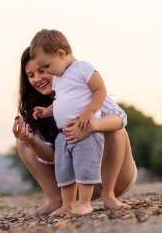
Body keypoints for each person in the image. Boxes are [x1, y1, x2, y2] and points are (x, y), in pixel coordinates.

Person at [12, 46, 137, 216]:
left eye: (42, 70)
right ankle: (56, 201)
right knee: (23, 141)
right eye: (31, 75)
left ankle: (109, 196)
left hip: (114, 178)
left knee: (115, 129)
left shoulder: (82, 88)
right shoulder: (40, 110)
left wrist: (91, 126)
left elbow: (120, 118)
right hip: (77, 183)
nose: (38, 79)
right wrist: (31, 140)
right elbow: (51, 157)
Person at [29, 29, 107, 215]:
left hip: (85, 130)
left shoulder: (83, 68)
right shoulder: (58, 78)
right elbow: (61, 102)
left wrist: (90, 112)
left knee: (84, 166)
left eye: (46, 66)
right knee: (64, 170)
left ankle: (85, 203)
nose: (46, 72)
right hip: (63, 133)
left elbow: (100, 90)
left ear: (61, 54)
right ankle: (67, 205)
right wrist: (47, 111)